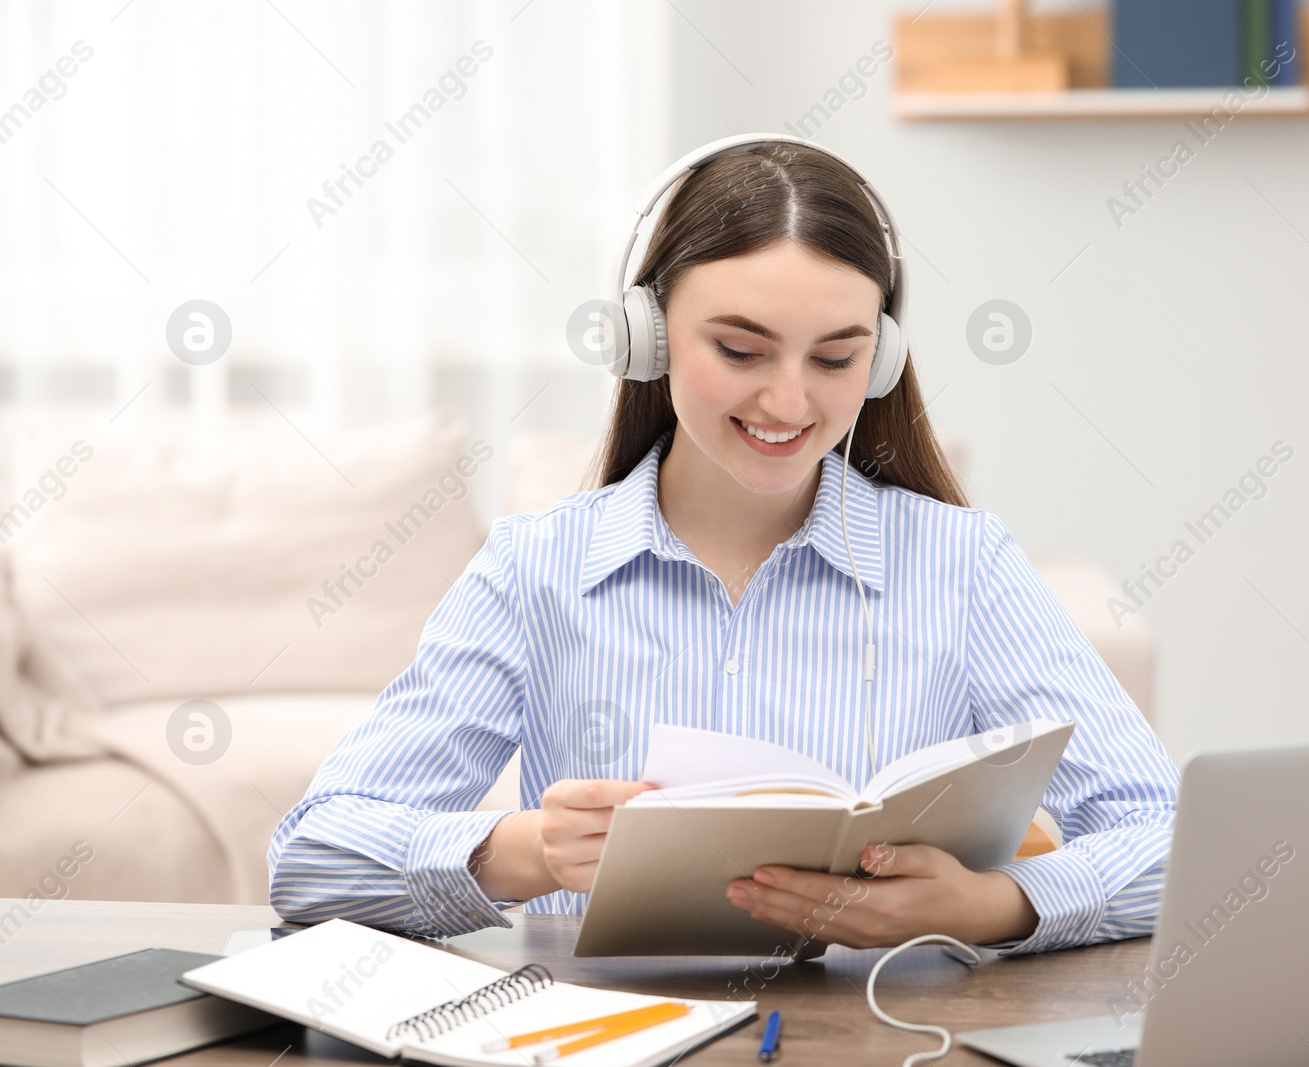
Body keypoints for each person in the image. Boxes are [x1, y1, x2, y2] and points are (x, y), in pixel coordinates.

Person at [267, 135, 1180, 957]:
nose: (789, 403)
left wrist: (992, 905)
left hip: (878, 1040)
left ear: (885, 356)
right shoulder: (534, 570)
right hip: (605, 1042)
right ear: (647, 336)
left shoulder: (963, 565)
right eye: (741, 350)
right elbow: (309, 858)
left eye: (834, 359)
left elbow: (1168, 832)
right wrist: (522, 849)